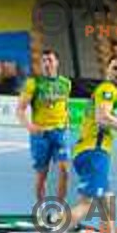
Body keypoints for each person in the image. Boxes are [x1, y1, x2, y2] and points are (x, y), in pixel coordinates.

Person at [34, 57, 117, 233]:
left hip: (92, 152)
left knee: (107, 205)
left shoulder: (108, 93)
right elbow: (103, 119)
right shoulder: (107, 89)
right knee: (86, 205)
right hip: (95, 152)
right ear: (107, 71)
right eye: (115, 68)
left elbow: (106, 116)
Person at [17, 49, 71, 207]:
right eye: (44, 61)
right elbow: (20, 109)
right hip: (40, 135)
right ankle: (42, 208)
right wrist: (29, 126)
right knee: (42, 175)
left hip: (60, 133)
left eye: (50, 60)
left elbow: (64, 105)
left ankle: (59, 207)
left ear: (57, 62)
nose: (47, 64)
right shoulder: (33, 83)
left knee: (65, 171)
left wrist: (66, 121)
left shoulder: (65, 83)